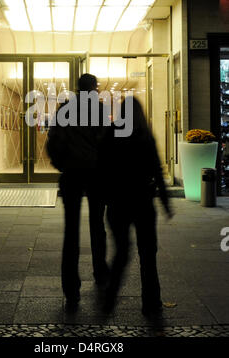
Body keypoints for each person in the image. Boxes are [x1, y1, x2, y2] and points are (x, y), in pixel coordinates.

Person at [103, 96, 173, 314]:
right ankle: (151, 303)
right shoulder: (145, 136)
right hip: (142, 201)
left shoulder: (112, 133)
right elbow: (157, 171)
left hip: (117, 202)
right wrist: (165, 201)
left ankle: (109, 299)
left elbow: (102, 166)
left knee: (122, 253)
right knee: (147, 254)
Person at [47, 73, 110, 309]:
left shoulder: (65, 109)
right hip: (97, 175)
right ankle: (100, 271)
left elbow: (53, 142)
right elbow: (108, 143)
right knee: (97, 225)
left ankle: (71, 288)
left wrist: (63, 165)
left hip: (72, 174)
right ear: (94, 88)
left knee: (71, 232)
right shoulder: (101, 110)